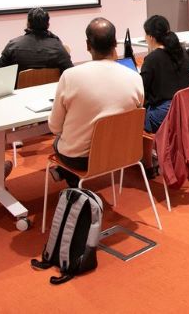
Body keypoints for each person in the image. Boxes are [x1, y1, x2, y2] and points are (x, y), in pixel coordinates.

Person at [48, 18, 144, 187]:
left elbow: (55, 127)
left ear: (87, 45)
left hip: (80, 159)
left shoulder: (70, 77)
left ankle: (74, 188)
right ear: (115, 43)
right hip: (122, 153)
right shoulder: (135, 77)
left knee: (58, 142)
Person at [140, 15, 189, 133]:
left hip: (162, 115)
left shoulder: (152, 59)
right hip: (186, 110)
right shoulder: (182, 53)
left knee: (130, 118)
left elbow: (142, 90)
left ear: (151, 37)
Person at [0, 7, 74, 75]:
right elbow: (70, 74)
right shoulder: (58, 47)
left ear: (28, 24)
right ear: (48, 25)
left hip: (20, 91)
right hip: (50, 90)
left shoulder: (12, 46)